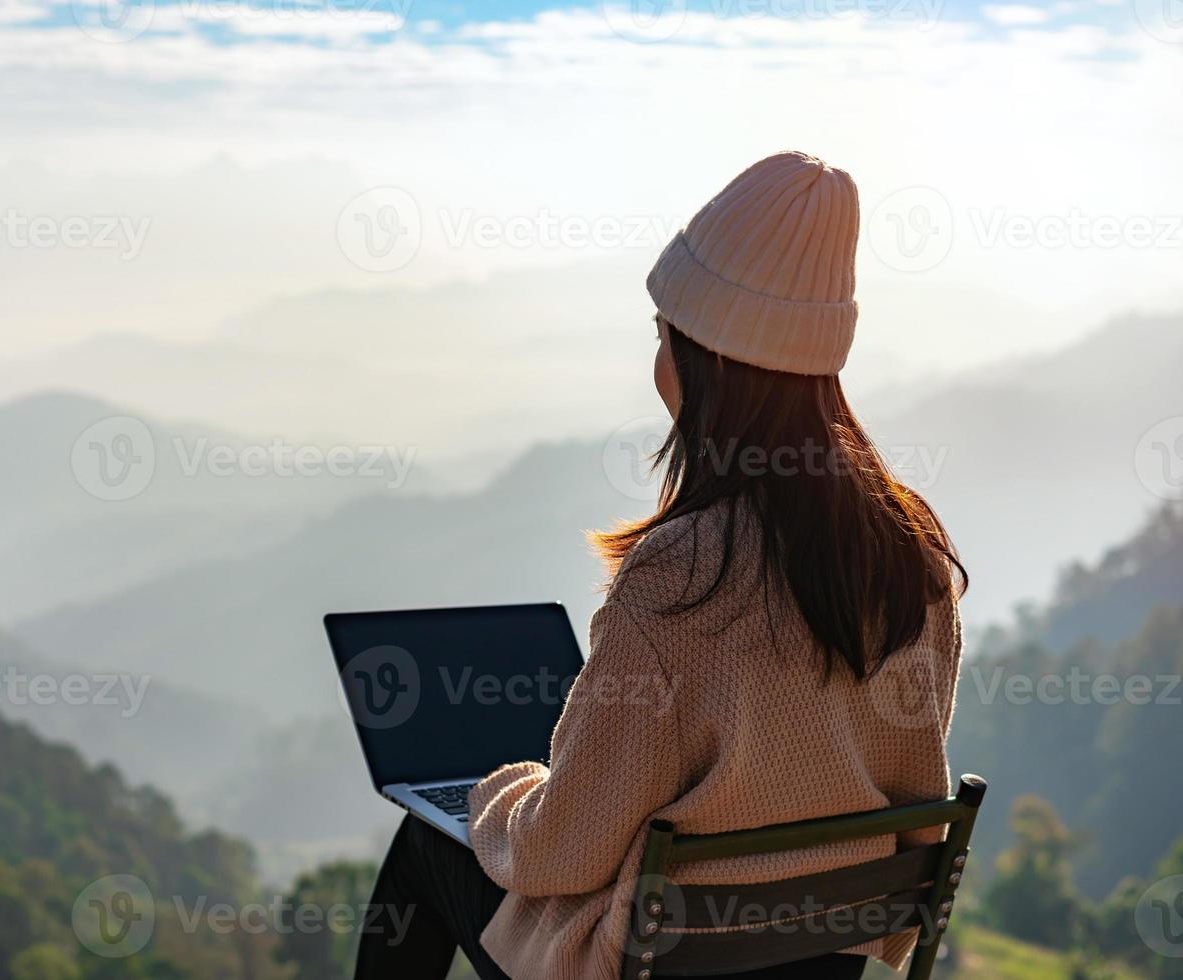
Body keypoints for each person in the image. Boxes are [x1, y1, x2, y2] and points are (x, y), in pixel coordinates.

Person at [354, 150, 967, 980]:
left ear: (703, 358)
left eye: (663, 334)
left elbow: (560, 855)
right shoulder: (914, 559)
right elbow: (908, 801)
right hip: (826, 958)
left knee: (425, 844)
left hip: (662, 961)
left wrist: (498, 798)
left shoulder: (679, 575)